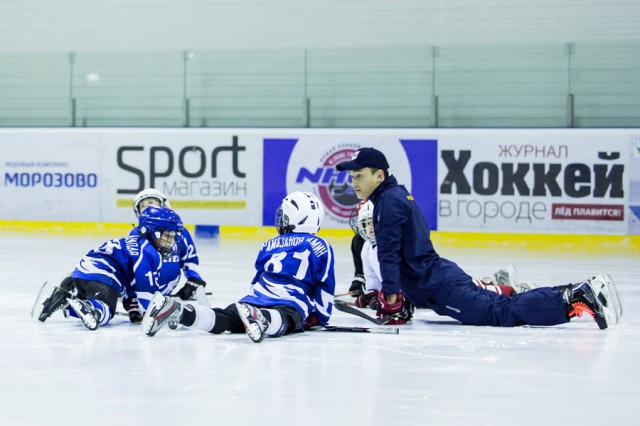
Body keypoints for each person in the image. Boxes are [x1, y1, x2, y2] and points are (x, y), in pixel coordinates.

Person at [336, 147, 623, 329]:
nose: (354, 182)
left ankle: (573, 298)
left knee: (500, 313)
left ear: (379, 175)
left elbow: (389, 253)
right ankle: (575, 290)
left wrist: (391, 299)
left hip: (439, 286)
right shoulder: (396, 195)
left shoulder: (388, 202)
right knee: (499, 305)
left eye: (359, 176)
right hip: (439, 277)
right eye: (352, 177)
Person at [140, 191, 336, 343]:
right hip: (289, 302)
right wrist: (320, 317)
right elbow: (325, 285)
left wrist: (253, 302)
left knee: (223, 319)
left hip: (254, 298)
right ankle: (262, 318)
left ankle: (179, 311)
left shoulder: (269, 243)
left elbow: (258, 277)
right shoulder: (321, 246)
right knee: (286, 320)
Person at [352, 200, 528, 313]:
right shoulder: (366, 248)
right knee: (469, 291)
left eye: (374, 222)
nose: (371, 228)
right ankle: (494, 280)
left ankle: (514, 291)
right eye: (366, 224)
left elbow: (398, 277)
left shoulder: (392, 245)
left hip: (429, 283)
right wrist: (371, 294)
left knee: (473, 292)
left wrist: (389, 297)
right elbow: (374, 279)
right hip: (418, 292)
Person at [35, 206, 185, 330]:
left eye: (172, 237)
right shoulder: (147, 252)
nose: (171, 242)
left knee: (96, 301)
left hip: (87, 272)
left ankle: (65, 301)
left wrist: (134, 308)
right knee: (106, 310)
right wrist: (156, 313)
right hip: (103, 275)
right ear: (152, 231)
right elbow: (146, 292)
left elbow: (132, 286)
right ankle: (91, 308)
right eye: (167, 236)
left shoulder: (137, 239)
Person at [124, 188, 208, 323]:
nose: (147, 207)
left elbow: (190, 259)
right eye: (143, 205)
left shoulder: (180, 232)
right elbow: (127, 266)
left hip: (167, 290)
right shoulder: (135, 234)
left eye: (151, 202)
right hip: (143, 290)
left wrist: (194, 280)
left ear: (163, 205)